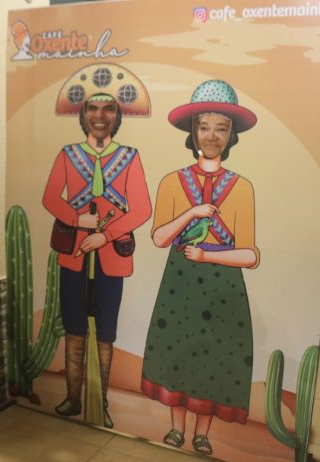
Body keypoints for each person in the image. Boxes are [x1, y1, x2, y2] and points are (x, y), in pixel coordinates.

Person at [141, 80, 260, 455]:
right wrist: (191, 213)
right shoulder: (173, 182)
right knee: (179, 349)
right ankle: (177, 429)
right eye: (204, 127)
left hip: (222, 284)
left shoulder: (241, 188)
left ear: (231, 135)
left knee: (213, 355)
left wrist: (208, 256)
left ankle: (202, 434)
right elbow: (160, 237)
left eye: (221, 128)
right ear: (192, 132)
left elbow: (250, 255)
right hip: (180, 283)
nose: (212, 136)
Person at [42, 91, 152, 427]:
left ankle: (99, 401)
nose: (100, 115)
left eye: (108, 109)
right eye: (92, 108)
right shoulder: (68, 155)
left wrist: (106, 235)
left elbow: (142, 209)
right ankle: (74, 399)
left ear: (117, 117)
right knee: (74, 327)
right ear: (83, 115)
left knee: (106, 332)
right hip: (74, 257)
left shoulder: (129, 157)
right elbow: (50, 198)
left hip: (111, 258)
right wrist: (78, 219)